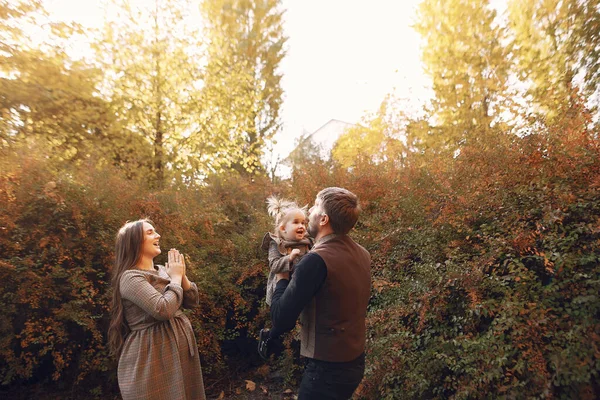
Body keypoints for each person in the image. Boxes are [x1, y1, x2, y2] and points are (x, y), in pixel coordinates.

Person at [264, 187, 371, 399]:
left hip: (327, 369)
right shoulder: (363, 253)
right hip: (355, 361)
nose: (309, 211)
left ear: (323, 219)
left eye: (314, 206)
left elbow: (281, 319)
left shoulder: (315, 260)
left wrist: (281, 276)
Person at [107, 219, 206, 400]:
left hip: (180, 352)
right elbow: (163, 309)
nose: (158, 235)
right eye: (150, 232)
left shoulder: (163, 270)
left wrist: (181, 276)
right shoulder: (130, 278)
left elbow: (192, 301)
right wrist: (175, 279)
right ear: (134, 241)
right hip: (152, 357)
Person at [258, 196, 313, 360]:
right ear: (283, 228)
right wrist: (289, 258)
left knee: (300, 319)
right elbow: (274, 266)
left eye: (303, 222)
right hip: (282, 288)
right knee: (285, 322)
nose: (301, 226)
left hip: (300, 286)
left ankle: (302, 353)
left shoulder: (308, 242)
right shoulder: (276, 243)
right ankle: (268, 336)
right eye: (296, 222)